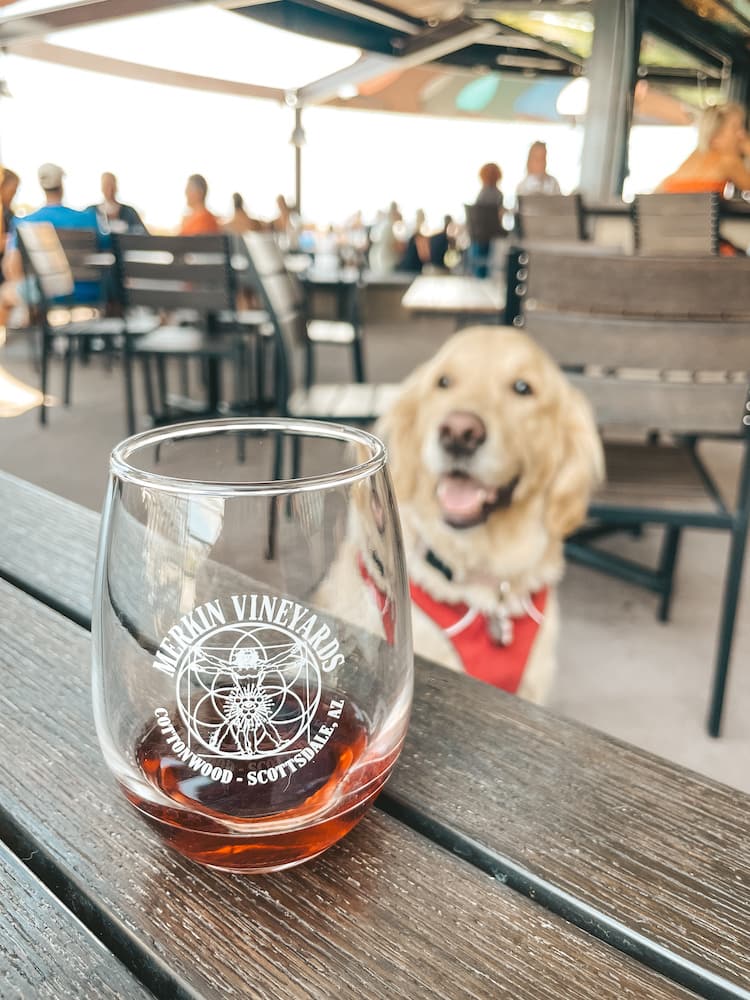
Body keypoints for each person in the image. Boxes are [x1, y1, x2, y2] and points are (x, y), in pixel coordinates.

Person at [2, 163, 102, 304]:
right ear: (61, 185)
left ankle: (29, 320)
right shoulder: (89, 218)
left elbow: (11, 267)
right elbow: (108, 251)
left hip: (43, 294)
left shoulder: (24, 223)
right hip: (91, 291)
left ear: (42, 186)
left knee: (5, 294)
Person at [657, 103, 750, 194]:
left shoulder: (696, 156)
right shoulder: (727, 159)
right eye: (735, 129)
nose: (742, 134)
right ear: (715, 137)